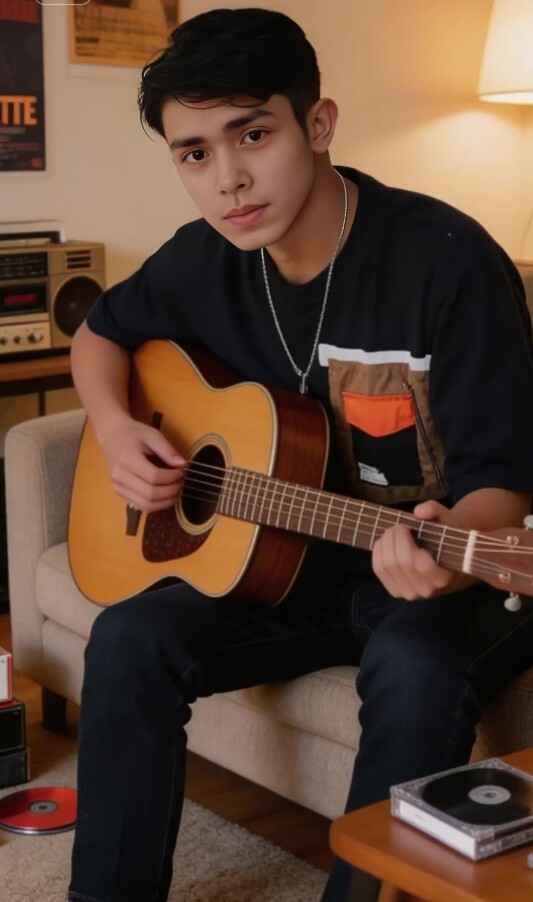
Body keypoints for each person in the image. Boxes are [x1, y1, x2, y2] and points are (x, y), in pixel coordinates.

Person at [67, 8, 533, 902]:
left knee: (414, 665)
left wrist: (445, 557)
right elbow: (100, 334)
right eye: (194, 153)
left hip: (451, 568)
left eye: (253, 134)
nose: (228, 180)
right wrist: (118, 428)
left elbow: (503, 489)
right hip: (292, 561)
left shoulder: (445, 260)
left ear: (317, 124)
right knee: (129, 637)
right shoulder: (205, 258)